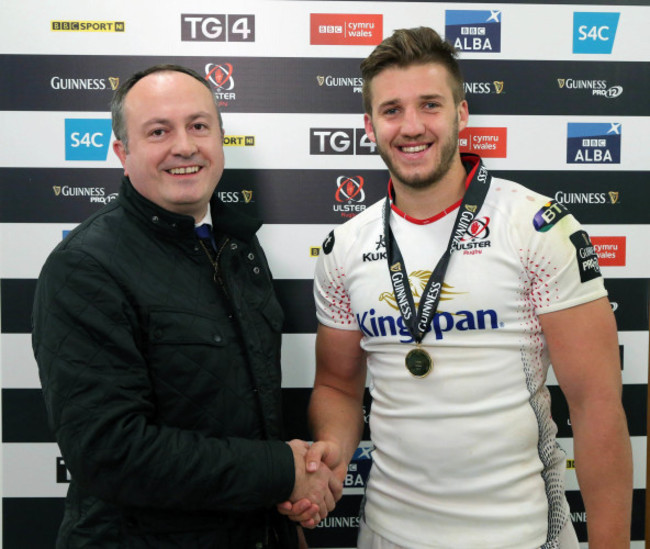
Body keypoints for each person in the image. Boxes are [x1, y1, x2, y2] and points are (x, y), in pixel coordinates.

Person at [302, 27, 632, 548]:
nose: (411, 126)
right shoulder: (344, 247)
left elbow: (596, 405)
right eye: (391, 111)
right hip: (387, 533)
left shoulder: (537, 228)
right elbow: (339, 387)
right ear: (369, 126)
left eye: (430, 105)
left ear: (461, 113)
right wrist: (332, 458)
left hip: (524, 535)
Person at [32, 64, 340, 549]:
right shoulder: (84, 267)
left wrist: (284, 513)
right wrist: (282, 471)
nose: (185, 146)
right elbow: (111, 453)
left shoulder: (237, 245)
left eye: (199, 126)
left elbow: (248, 409)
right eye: (158, 131)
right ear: (122, 152)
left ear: (220, 139)